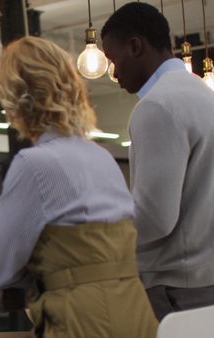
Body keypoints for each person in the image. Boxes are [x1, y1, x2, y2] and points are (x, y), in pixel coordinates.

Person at [0, 36, 157, 338]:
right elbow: (89, 255)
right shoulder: (102, 158)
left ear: (14, 96)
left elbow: (0, 271)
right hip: (135, 314)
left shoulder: (34, 164)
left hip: (79, 322)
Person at [101, 2, 214, 320]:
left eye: (113, 59)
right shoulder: (204, 96)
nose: (115, 73)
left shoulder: (158, 106)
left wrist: (97, 230)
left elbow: (154, 218)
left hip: (175, 288)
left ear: (135, 46)